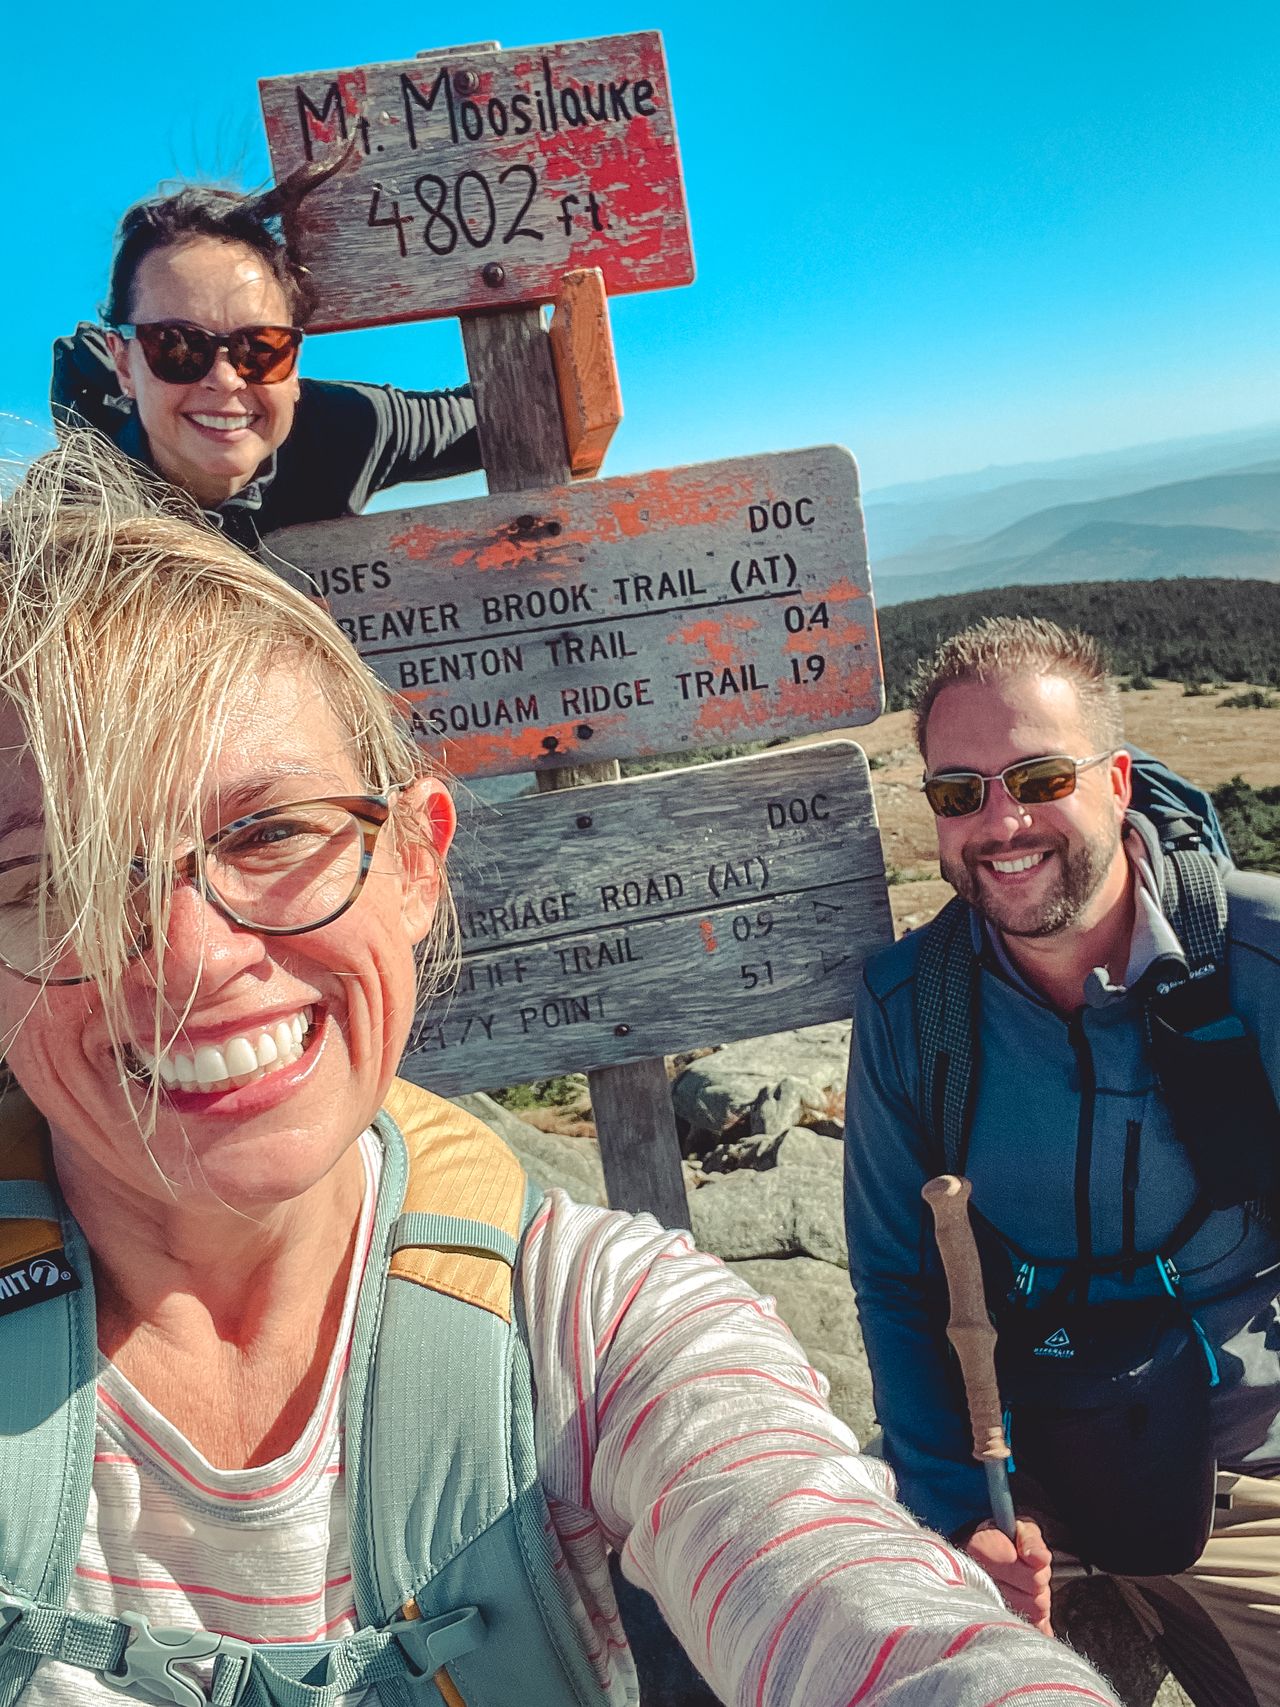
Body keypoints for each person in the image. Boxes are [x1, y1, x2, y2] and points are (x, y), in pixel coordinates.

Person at [0, 441, 1118, 1707]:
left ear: (418, 865)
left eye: (271, 834)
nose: (192, 960)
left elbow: (835, 1585)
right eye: (61, 886)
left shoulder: (601, 1326)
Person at [844, 615, 1280, 1707]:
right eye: (959, 792)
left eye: (1036, 775)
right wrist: (957, 1518)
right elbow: (897, 1282)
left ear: (1117, 779)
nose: (1001, 822)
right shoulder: (913, 1010)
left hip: (1244, 1465)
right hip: (1021, 1474)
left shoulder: (1259, 960)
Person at [50, 174, 480, 585]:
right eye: (177, 345)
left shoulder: (346, 427)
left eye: (260, 348)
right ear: (123, 363)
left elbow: (501, 417)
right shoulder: (64, 518)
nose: (225, 379)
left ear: (293, 364)